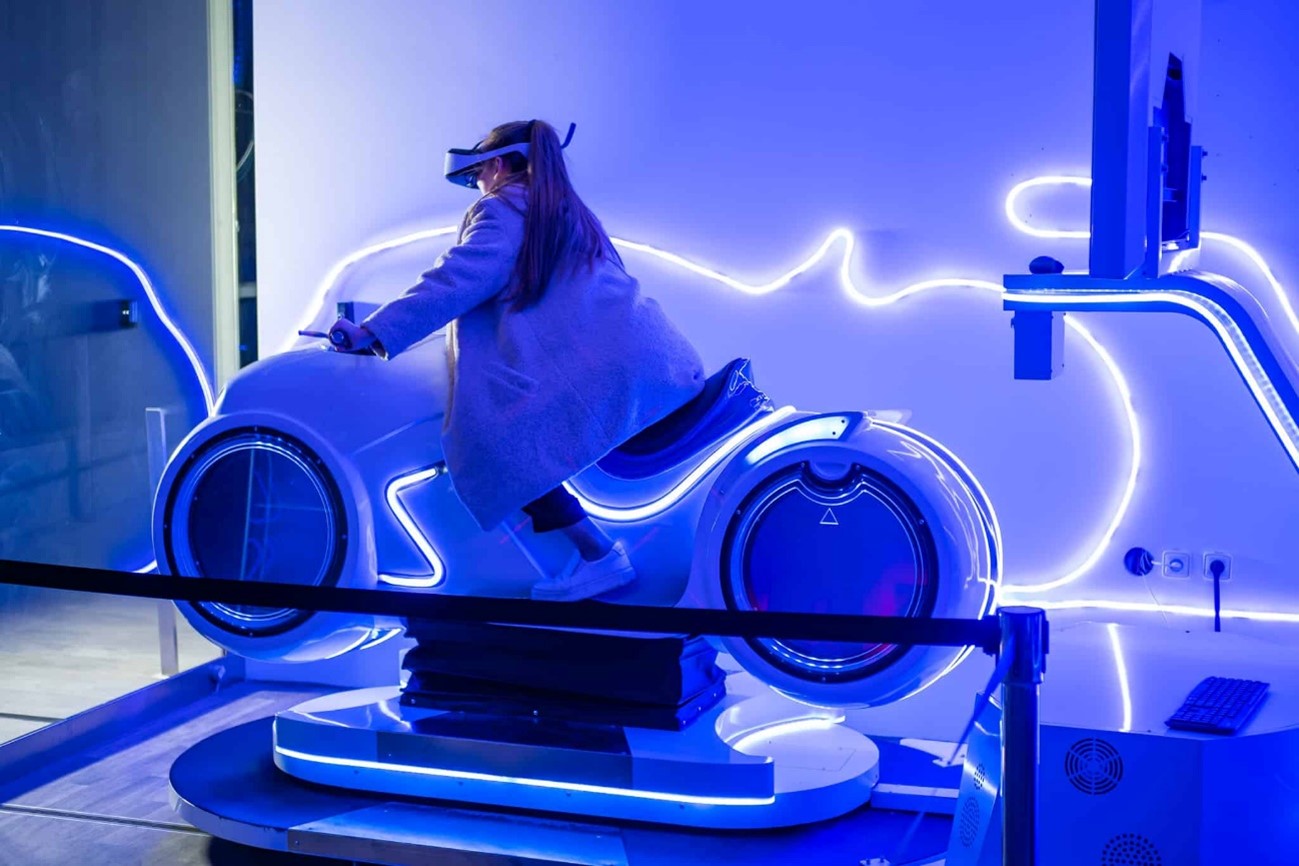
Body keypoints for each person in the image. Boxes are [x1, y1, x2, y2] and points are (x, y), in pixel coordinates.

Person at [328, 120, 704, 601]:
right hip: (655, 357)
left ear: (501, 166)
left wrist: (373, 331)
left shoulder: (503, 207)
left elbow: (457, 279)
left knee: (495, 442)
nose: (478, 185)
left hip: (611, 369)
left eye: (479, 173)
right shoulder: (566, 209)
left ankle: (597, 554)